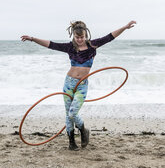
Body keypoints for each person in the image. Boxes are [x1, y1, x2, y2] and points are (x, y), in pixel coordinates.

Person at [21, 20, 136, 150]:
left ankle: (83, 130)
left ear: (86, 35)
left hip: (82, 85)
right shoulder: (70, 47)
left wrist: (125, 27)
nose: (80, 40)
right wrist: (32, 39)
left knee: (72, 113)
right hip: (68, 83)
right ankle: (71, 142)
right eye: (77, 37)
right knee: (68, 115)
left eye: (82, 37)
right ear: (73, 36)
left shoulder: (93, 45)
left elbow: (110, 37)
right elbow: (50, 44)